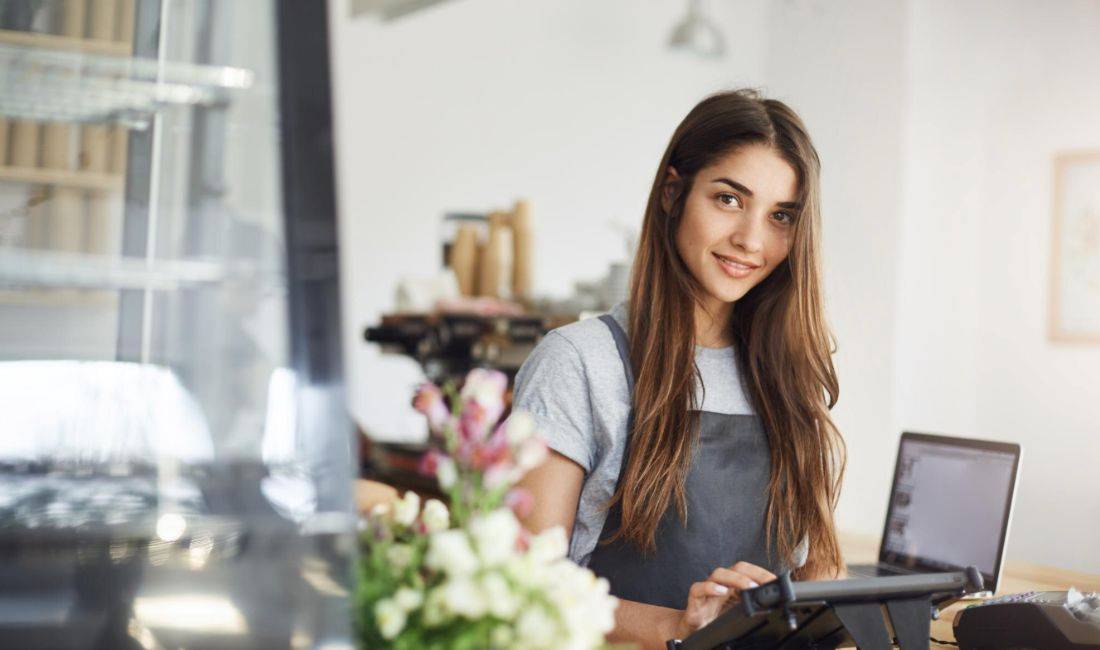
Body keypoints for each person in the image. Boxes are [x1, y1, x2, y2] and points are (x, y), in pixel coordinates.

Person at [512, 88, 846, 649]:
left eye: (780, 216)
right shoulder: (579, 362)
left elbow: (813, 570)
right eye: (729, 199)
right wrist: (679, 629)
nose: (751, 240)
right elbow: (524, 587)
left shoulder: (788, 376)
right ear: (673, 193)